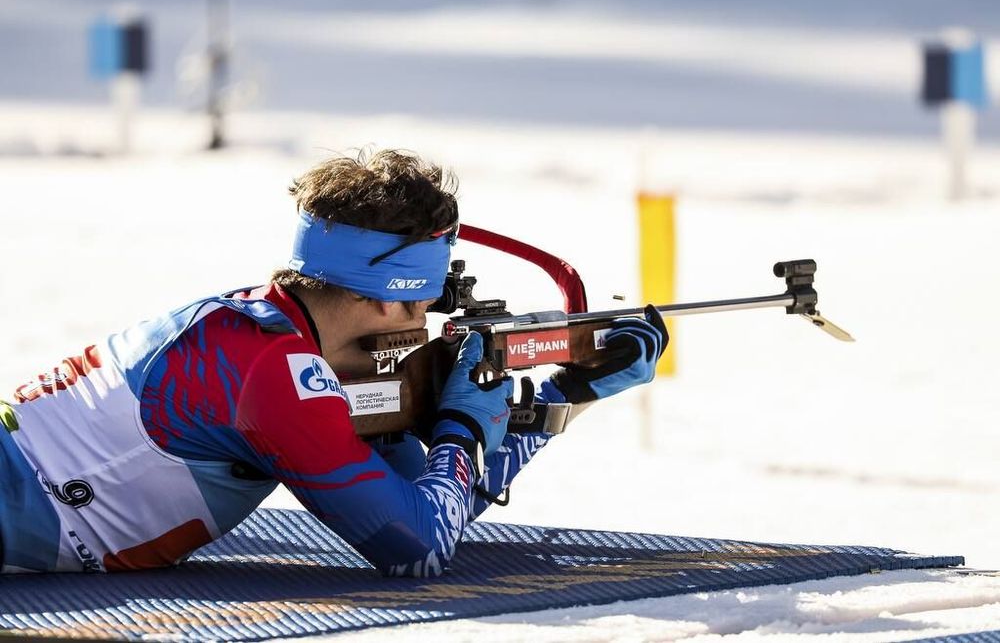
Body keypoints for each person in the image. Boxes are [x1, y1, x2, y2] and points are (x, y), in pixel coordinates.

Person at [0, 149, 667, 577]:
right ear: (391, 299)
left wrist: (561, 397)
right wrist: (463, 421)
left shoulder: (270, 333)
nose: (425, 325)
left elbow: (437, 501)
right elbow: (417, 544)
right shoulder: (275, 373)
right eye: (425, 306)